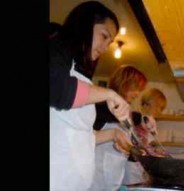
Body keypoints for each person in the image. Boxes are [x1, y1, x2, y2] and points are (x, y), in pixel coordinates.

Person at [49, 1, 133, 191]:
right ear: (85, 25)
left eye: (110, 42)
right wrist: (110, 94)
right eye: (104, 36)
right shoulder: (56, 45)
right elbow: (56, 88)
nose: (105, 47)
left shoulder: (82, 75)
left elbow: (81, 136)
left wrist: (114, 134)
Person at [90, 65, 148, 191]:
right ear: (124, 83)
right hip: (95, 182)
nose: (138, 94)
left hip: (113, 181)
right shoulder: (101, 108)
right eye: (136, 88)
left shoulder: (127, 113)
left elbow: (136, 117)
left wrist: (146, 119)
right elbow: (84, 139)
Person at [122, 88, 168, 186]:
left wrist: (155, 152)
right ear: (148, 103)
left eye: (161, 108)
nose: (159, 111)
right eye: (158, 107)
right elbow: (134, 143)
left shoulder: (150, 122)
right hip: (129, 165)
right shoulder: (134, 117)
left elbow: (146, 145)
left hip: (140, 167)